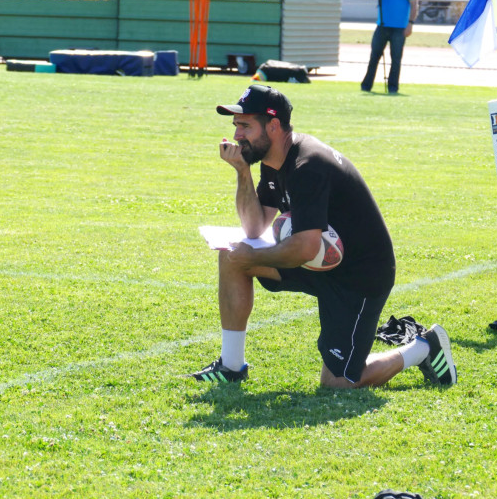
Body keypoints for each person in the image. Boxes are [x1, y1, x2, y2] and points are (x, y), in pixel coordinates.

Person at [188, 84, 457, 388]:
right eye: (236, 126)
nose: (237, 135)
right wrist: (241, 170)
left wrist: (252, 255)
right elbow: (254, 228)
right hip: (320, 262)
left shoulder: (308, 166)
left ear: (273, 126)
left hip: (359, 278)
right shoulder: (273, 161)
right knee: (231, 255)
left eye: (245, 126)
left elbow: (305, 247)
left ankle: (424, 348)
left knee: (339, 383)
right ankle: (232, 366)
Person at [360, 0, 419, 95]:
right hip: (382, 25)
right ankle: (366, 86)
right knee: (374, 57)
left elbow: (414, 3)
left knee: (396, 59)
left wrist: (410, 23)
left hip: (400, 27)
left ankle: (393, 87)